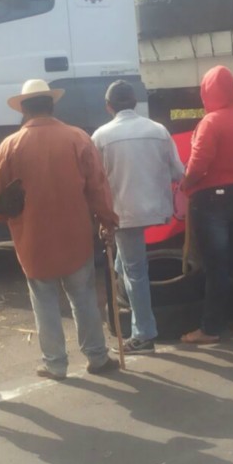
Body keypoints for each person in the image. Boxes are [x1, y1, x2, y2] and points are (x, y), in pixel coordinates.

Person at [0, 79, 120, 380]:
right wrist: (106, 220)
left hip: (32, 238)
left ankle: (55, 363)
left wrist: (7, 221)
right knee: (84, 296)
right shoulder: (77, 138)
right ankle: (97, 356)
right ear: (52, 105)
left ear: (23, 109)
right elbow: (97, 187)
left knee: (44, 300)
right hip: (75, 234)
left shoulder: (8, 147)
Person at [91, 80, 184, 353]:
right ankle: (132, 307)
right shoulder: (159, 130)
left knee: (135, 272)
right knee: (127, 267)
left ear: (109, 107)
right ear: (134, 104)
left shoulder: (100, 136)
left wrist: (100, 216)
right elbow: (179, 172)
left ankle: (143, 334)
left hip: (123, 214)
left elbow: (95, 182)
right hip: (156, 209)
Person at [180, 65, 233, 344]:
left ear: (208, 91)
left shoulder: (211, 122)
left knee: (216, 265)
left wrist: (185, 184)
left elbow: (198, 164)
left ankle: (211, 328)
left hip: (213, 197)